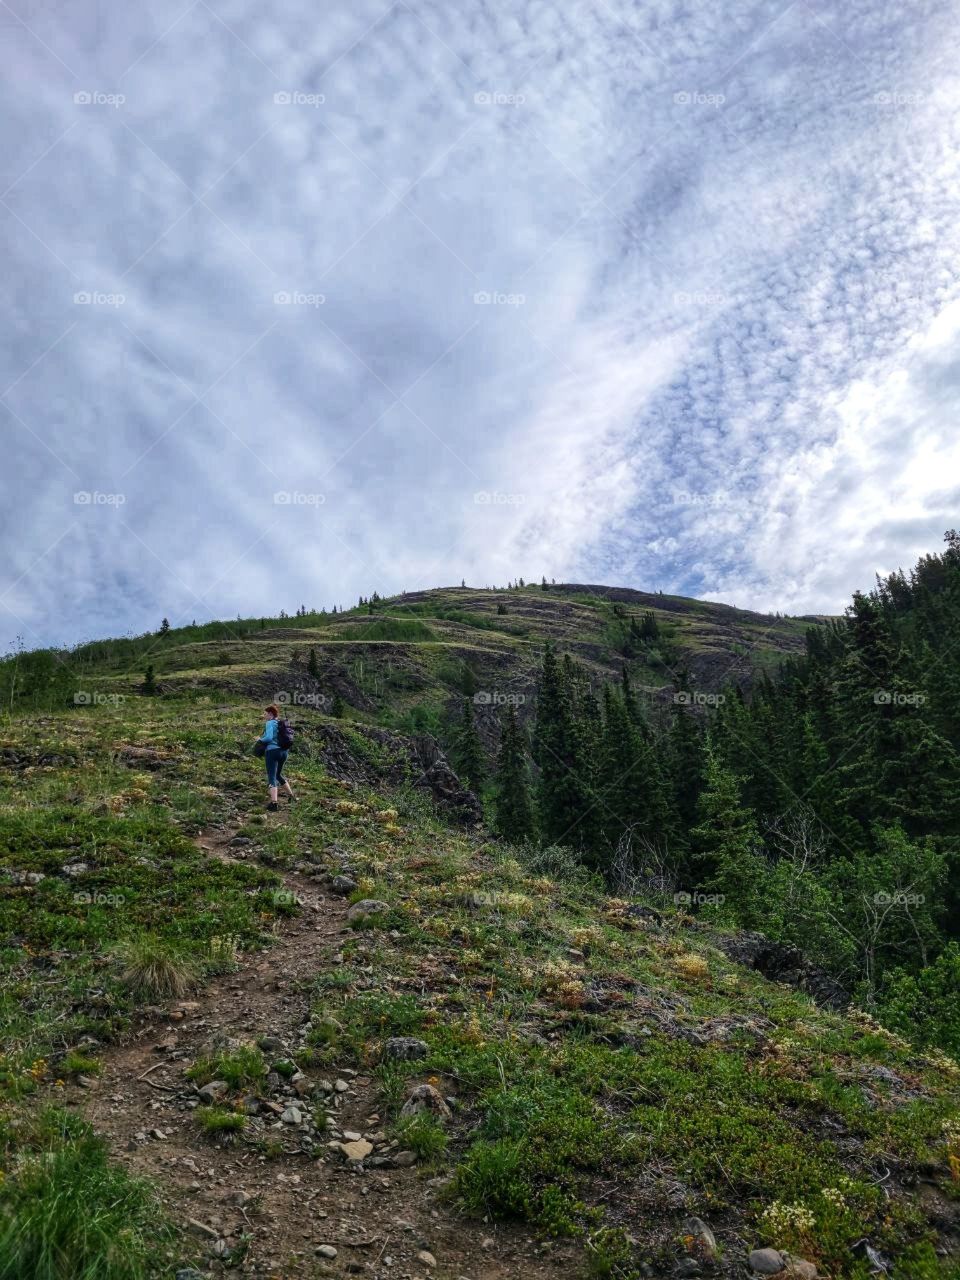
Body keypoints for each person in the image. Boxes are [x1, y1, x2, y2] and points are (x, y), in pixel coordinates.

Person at [256, 703, 295, 811]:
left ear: (270, 714)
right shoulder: (281, 723)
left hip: (272, 751)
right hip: (284, 752)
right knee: (278, 774)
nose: (264, 716)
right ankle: (291, 796)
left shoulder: (270, 723)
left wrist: (259, 739)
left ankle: (274, 803)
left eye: (265, 714)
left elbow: (268, 738)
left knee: (271, 777)